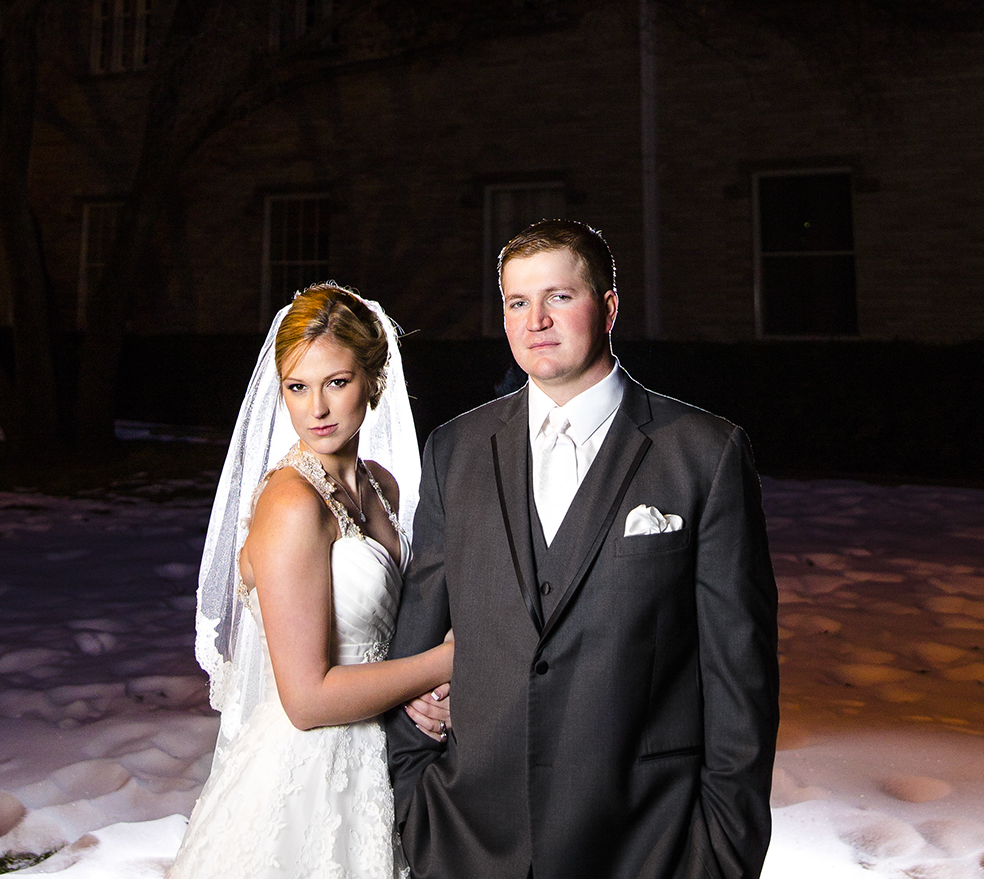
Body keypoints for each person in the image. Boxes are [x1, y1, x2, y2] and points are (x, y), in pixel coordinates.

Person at [386, 220, 779, 879]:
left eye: (559, 297)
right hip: (467, 839)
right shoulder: (454, 449)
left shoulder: (703, 454)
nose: (535, 319)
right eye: (517, 302)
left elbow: (740, 677)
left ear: (609, 306)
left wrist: (718, 854)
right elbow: (418, 634)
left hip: (643, 845)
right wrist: (413, 791)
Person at [168, 283, 454, 879]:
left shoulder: (381, 484)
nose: (316, 409)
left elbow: (386, 630)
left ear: (373, 381)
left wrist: (419, 693)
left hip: (382, 751)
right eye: (297, 387)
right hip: (311, 768)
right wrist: (446, 662)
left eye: (337, 382)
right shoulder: (291, 503)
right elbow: (306, 701)